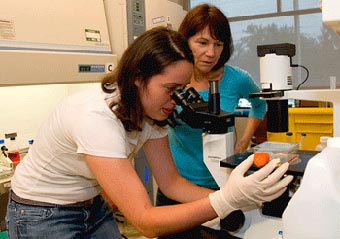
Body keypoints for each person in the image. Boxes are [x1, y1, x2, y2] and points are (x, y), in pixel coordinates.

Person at [6, 27, 292, 239]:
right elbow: (145, 221)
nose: (176, 100)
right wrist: (225, 201)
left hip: (89, 203)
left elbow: (171, 183)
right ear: (137, 78)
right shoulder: (96, 117)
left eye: (181, 90)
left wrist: (237, 197)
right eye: (170, 90)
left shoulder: (152, 113)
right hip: (41, 210)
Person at [156, 3, 267, 237]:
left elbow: (260, 104)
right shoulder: (172, 79)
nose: (211, 53)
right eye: (202, 42)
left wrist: (245, 139)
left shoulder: (237, 79)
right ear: (185, 41)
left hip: (220, 186)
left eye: (218, 44)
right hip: (176, 186)